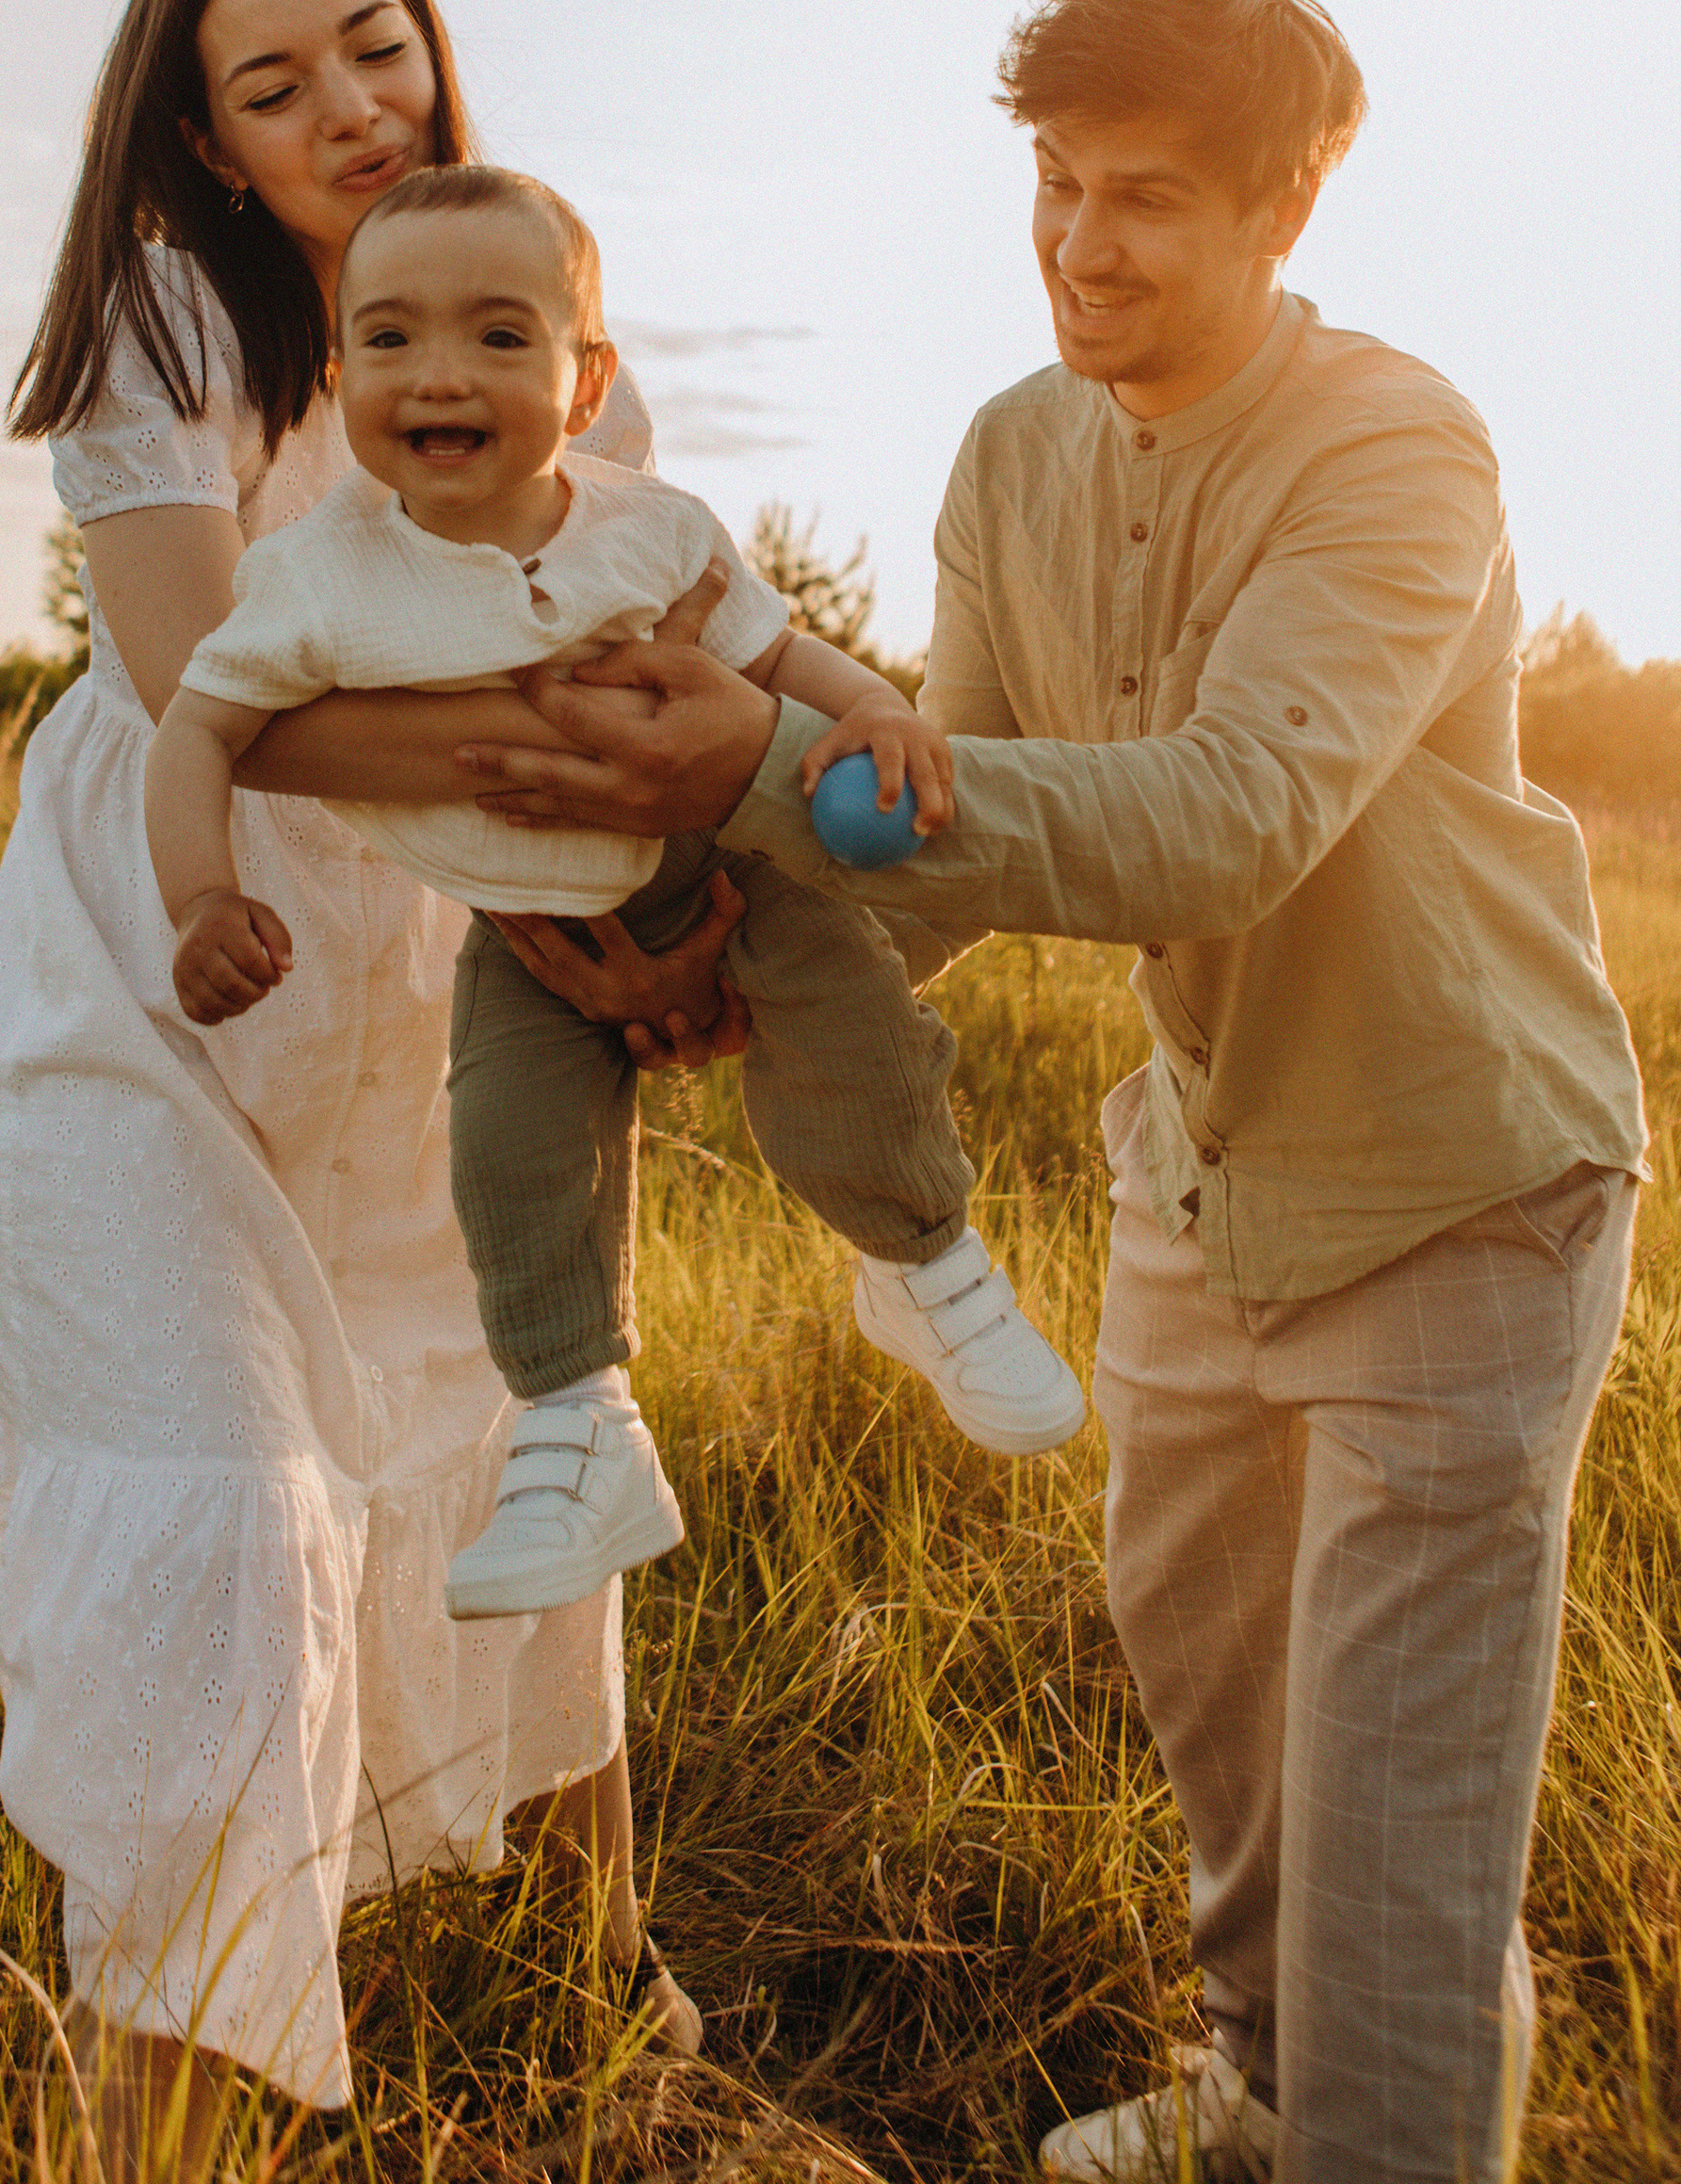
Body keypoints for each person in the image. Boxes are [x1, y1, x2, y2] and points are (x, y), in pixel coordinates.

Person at [451, 0, 1650, 2184]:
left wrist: (751, 771)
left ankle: (1366, 2133)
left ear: (1284, 207)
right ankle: (1257, 2097)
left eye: (1146, 198)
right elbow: (948, 820)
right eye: (1054, 182)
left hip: (1455, 1188)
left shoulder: (1395, 445)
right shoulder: (1010, 450)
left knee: (1393, 1834)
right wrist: (705, 956)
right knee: (1220, 1721)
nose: (1080, 243)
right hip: (1193, 1181)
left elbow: (1223, 819)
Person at [0, 0, 724, 2166]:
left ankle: (601, 1983)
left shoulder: (542, 317)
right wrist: (569, 750)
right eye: (274, 84)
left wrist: (643, 912)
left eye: (375, 43)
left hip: (431, 978)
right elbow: (213, 692)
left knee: (511, 1420)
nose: (351, 107)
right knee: (218, 1511)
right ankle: (156, 2115)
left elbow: (670, 659)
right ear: (206, 144)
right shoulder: (166, 318)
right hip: (174, 971)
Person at [144, 160, 1086, 1625]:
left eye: (498, 336)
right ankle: (582, 1432)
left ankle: (925, 1266)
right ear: (339, 378)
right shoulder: (318, 576)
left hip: (727, 864)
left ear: (585, 386)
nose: (438, 372)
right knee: (511, 1158)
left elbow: (776, 657)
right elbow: (198, 726)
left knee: (852, 1028)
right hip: (525, 931)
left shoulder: (650, 528)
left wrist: (882, 711)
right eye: (389, 337)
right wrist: (203, 897)